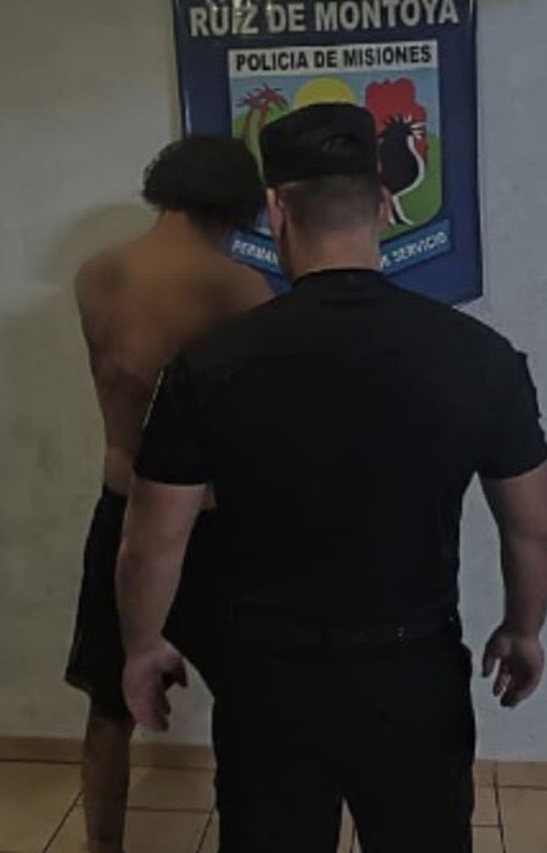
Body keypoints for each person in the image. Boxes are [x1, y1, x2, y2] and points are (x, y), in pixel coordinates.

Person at [118, 103, 547, 853]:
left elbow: (151, 544)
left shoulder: (209, 366)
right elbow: (532, 527)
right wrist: (521, 628)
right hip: (414, 677)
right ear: (382, 203)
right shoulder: (481, 358)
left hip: (270, 682)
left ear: (277, 209)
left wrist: (143, 644)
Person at [65, 135, 271, 853]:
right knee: (252, 699)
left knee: (108, 704)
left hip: (122, 508)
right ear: (237, 203)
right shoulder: (238, 286)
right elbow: (255, 424)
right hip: (210, 520)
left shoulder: (96, 274)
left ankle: (103, 847)